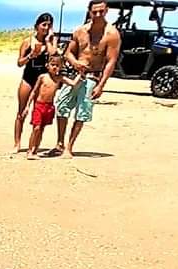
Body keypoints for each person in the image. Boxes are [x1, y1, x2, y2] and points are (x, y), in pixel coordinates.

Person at [49, 0, 121, 158]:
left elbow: (110, 61)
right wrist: (74, 62)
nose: (98, 15)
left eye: (101, 11)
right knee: (62, 106)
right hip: (74, 74)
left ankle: (69, 146)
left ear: (106, 10)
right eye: (95, 11)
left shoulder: (112, 34)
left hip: (92, 76)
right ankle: (59, 143)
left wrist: (101, 85)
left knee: (82, 113)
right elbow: (68, 52)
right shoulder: (80, 31)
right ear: (89, 11)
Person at [13, 13, 58, 152]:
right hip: (28, 78)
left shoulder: (51, 40)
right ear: (36, 26)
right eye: (43, 24)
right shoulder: (28, 42)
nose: (46, 27)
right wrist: (30, 56)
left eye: (49, 25)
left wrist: (49, 40)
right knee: (21, 112)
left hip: (43, 81)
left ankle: (33, 146)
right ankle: (17, 143)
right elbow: (19, 63)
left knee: (39, 113)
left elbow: (54, 54)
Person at [24, 56, 82, 159]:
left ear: (61, 67)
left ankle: (35, 150)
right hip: (39, 105)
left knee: (41, 129)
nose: (55, 67)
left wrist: (80, 74)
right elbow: (34, 91)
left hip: (49, 106)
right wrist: (27, 106)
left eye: (57, 65)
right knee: (36, 128)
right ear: (47, 66)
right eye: (53, 65)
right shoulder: (42, 77)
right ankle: (30, 150)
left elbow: (73, 83)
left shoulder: (59, 78)